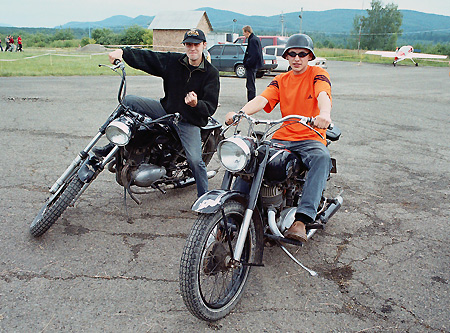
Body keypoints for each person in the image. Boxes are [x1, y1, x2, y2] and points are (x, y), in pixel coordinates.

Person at [225, 34, 332, 242]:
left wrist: (324, 114)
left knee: (321, 158)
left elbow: (323, 95)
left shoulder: (318, 74)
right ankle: (235, 210)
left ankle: (302, 219)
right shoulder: (281, 79)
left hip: (311, 136)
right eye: (292, 54)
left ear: (309, 56)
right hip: (283, 136)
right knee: (252, 158)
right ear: (287, 56)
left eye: (302, 54)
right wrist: (240, 113)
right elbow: (263, 98)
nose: (297, 58)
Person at [94, 28, 220, 198]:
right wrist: (123, 52)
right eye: (188, 44)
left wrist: (196, 104)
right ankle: (110, 142)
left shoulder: (211, 73)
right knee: (129, 100)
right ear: (184, 46)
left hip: (188, 120)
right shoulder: (174, 61)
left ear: (204, 45)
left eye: (196, 44)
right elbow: (149, 57)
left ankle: (204, 198)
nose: (192, 48)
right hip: (165, 110)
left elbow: (210, 106)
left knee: (195, 161)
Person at [242, 25, 263, 101]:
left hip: (251, 66)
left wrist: (247, 63)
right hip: (253, 65)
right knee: (251, 83)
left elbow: (254, 54)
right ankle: (251, 100)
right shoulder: (255, 39)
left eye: (244, 33)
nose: (243, 35)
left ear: (247, 32)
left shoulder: (252, 40)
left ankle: (251, 101)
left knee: (250, 84)